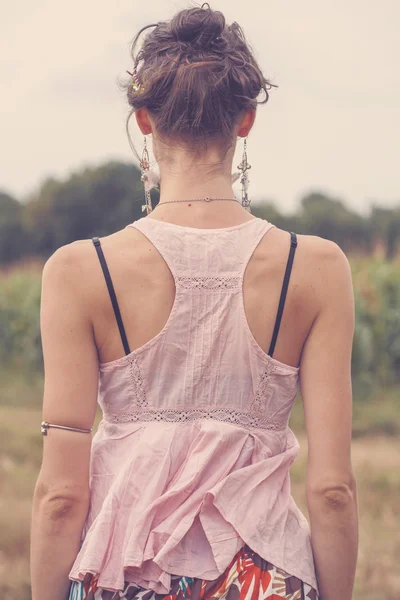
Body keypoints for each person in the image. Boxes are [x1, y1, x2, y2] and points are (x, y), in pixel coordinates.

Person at [30, 4, 358, 600]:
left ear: (146, 120)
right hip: (266, 578)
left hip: (124, 578)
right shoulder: (316, 269)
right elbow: (333, 489)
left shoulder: (79, 271)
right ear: (245, 120)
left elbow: (60, 496)